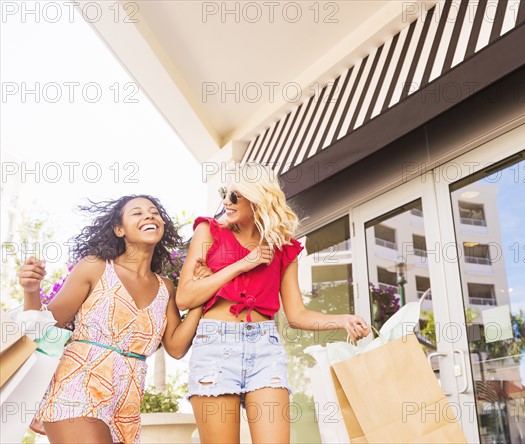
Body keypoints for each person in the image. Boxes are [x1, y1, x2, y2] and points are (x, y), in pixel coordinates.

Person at [176, 163, 370, 444]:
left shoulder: (283, 247)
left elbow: (296, 313)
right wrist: (244, 264)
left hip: (264, 349)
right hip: (216, 345)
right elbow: (184, 297)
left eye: (234, 196)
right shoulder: (208, 232)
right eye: (223, 193)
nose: (225, 202)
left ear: (257, 199)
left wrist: (342, 320)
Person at [19, 195, 207, 444]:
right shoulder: (95, 267)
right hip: (77, 388)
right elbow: (45, 328)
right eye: (137, 213)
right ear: (119, 229)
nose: (149, 216)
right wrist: (31, 290)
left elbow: (175, 347)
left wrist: (200, 296)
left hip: (127, 404)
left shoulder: (166, 287)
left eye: (153, 212)